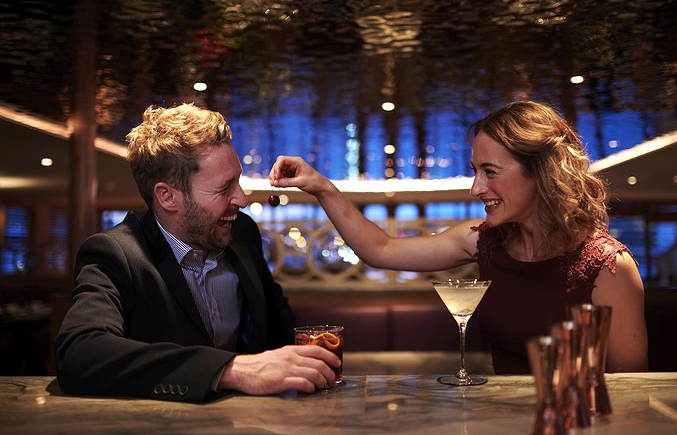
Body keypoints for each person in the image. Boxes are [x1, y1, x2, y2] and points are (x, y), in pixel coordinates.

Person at [270, 101, 648, 374]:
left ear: (542, 174)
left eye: (490, 171)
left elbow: (630, 390)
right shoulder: (484, 241)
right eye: (475, 171)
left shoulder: (608, 266)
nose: (475, 188)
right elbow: (381, 249)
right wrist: (322, 188)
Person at [55, 103, 340, 402]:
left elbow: (274, 316)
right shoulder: (115, 254)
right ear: (167, 196)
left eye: (238, 181)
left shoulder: (241, 233)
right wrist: (232, 369)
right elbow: (79, 354)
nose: (242, 200)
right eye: (224, 188)